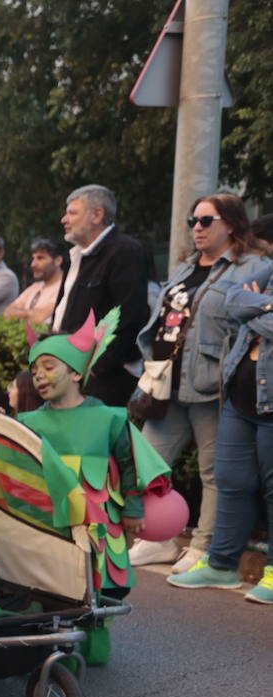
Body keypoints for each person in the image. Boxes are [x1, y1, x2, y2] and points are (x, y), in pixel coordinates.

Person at [131, 195, 272, 573]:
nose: (196, 226)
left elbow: (252, 312)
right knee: (148, 464)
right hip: (166, 380)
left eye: (206, 220)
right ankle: (157, 538)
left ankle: (202, 547)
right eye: (193, 219)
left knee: (213, 471)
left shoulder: (254, 266)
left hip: (211, 382)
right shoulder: (187, 266)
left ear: (231, 224)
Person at [18, 314, 169, 663]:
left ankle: (94, 633)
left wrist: (132, 510)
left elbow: (129, 465)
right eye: (34, 369)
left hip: (99, 519)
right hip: (50, 518)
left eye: (48, 366)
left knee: (102, 579)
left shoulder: (111, 418)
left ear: (75, 373)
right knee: (53, 579)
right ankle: (55, 642)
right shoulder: (27, 423)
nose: (38, 375)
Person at [166, 233, 273, 599]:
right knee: (231, 482)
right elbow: (232, 303)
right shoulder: (269, 270)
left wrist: (255, 307)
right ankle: (221, 565)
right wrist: (265, 306)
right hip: (239, 396)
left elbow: (246, 310)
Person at [53, 184, 151, 407]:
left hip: (105, 379)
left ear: (97, 214)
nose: (64, 219)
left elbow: (130, 315)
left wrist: (98, 366)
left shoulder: (125, 251)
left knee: (94, 440)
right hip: (71, 371)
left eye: (72, 213)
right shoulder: (76, 256)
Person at [3, 239, 66, 325]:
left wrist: (21, 313)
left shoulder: (66, 287)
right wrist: (31, 314)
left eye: (40, 258)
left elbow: (40, 318)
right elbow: (7, 313)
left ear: (58, 261)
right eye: (33, 258)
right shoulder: (34, 287)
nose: (33, 264)